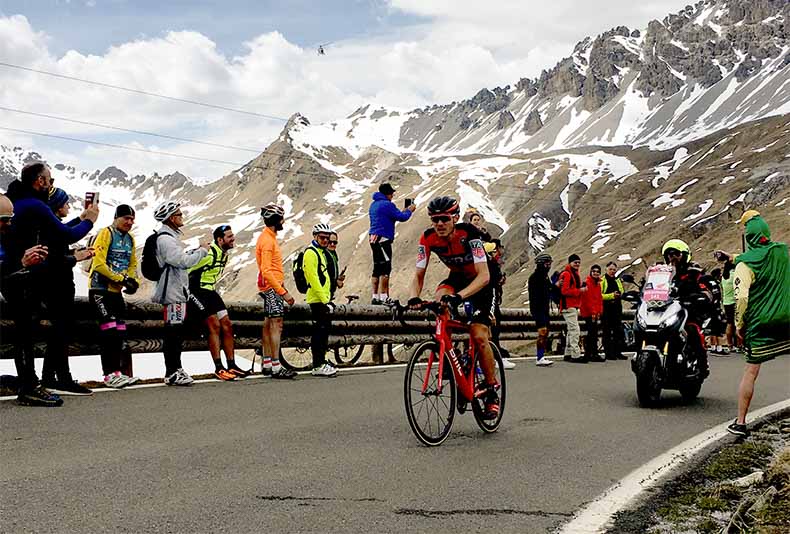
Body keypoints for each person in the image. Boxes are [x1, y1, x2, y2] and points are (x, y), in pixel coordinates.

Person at [4, 163, 98, 405]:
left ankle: (33, 383)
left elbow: (54, 229)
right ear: (39, 181)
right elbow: (64, 235)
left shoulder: (17, 199)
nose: (51, 183)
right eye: (49, 179)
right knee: (26, 331)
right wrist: (90, 221)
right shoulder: (35, 204)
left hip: (15, 270)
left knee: (27, 329)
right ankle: (29, 386)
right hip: (22, 272)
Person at [407, 196, 500, 420]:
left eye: (444, 219)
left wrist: (459, 297)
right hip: (457, 278)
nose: (439, 224)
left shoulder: (470, 235)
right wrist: (413, 298)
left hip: (483, 281)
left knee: (478, 335)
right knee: (440, 302)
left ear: (455, 218)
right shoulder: (428, 238)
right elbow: (418, 275)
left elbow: (484, 275)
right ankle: (451, 355)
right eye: (435, 219)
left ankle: (491, 391)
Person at [727, 211, 789, 437]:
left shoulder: (744, 265)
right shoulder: (782, 252)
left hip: (760, 323)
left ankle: (741, 422)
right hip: (787, 320)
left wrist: (739, 324)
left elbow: (741, 297)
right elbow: (764, 252)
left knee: (751, 371)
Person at [41, 187, 96, 395]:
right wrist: (76, 257)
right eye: (65, 203)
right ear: (57, 206)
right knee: (61, 332)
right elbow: (54, 259)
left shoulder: (50, 227)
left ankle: (49, 377)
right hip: (57, 286)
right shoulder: (50, 229)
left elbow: (63, 237)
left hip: (57, 286)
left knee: (59, 332)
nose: (68, 206)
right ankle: (62, 378)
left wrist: (80, 219)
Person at [0, 194, 51, 403]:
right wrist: (21, 263)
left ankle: (28, 385)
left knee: (25, 331)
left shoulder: (6, 237)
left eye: (10, 219)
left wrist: (27, 263)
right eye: (4, 219)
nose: (9, 224)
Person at [151, 201, 208, 386]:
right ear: (171, 218)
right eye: (179, 214)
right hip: (172, 293)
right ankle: (173, 371)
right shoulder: (165, 239)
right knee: (173, 334)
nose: (182, 216)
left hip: (176, 291)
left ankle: (175, 369)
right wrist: (202, 252)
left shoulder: (169, 237)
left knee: (175, 332)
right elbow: (182, 261)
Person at [88, 204, 141, 388]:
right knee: (109, 331)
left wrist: (133, 281)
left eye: (132, 219)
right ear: (116, 218)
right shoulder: (106, 233)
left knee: (119, 332)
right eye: (126, 218)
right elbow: (99, 264)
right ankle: (109, 374)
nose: (129, 222)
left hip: (116, 293)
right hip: (100, 290)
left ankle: (118, 372)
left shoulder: (130, 239)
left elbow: (132, 264)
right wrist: (121, 279)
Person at [187, 224, 248, 380]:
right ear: (220, 240)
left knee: (227, 324)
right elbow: (187, 268)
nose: (233, 238)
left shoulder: (224, 254)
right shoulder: (209, 254)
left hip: (210, 292)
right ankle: (219, 368)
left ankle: (232, 365)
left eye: (232, 235)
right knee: (214, 324)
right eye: (229, 236)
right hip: (197, 291)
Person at [255, 203, 297, 379]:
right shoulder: (267, 241)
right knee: (276, 325)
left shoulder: (268, 237)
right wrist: (283, 292)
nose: (283, 221)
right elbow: (266, 270)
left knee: (268, 324)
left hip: (270, 286)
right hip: (272, 287)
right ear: (275, 220)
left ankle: (267, 363)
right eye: (281, 218)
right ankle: (275, 366)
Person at [661, 239, 712, 377]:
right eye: (669, 254)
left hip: (688, 311)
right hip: (666, 310)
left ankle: (702, 365)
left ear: (684, 254)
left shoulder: (693, 272)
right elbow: (650, 286)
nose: (672, 257)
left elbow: (705, 287)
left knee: (692, 330)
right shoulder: (663, 273)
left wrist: (703, 295)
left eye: (675, 253)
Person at [368, 182, 415, 304]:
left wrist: (403, 211)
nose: (392, 196)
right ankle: (384, 296)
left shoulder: (373, 205)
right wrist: (409, 210)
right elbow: (402, 217)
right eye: (391, 193)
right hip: (383, 238)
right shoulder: (387, 205)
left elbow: (393, 216)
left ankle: (375, 296)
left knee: (376, 267)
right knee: (386, 268)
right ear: (388, 193)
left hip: (373, 238)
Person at [305, 223, 337, 377]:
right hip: (318, 300)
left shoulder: (321, 252)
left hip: (323, 299)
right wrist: (325, 300)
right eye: (322, 237)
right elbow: (313, 278)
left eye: (327, 238)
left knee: (324, 331)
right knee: (319, 332)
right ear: (315, 236)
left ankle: (321, 361)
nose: (325, 240)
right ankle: (317, 364)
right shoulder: (311, 253)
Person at [558, 254, 587, 363]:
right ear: (570, 263)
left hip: (571, 306)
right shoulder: (567, 274)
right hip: (568, 305)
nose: (577, 264)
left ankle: (568, 353)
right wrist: (580, 291)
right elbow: (564, 291)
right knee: (575, 330)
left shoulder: (572, 274)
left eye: (579, 262)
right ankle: (576, 354)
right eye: (575, 262)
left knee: (571, 330)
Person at [528, 253, 554, 366]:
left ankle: (542, 355)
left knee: (546, 332)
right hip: (538, 308)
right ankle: (539, 357)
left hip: (545, 308)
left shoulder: (545, 276)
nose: (549, 266)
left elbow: (549, 289)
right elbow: (535, 295)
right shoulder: (534, 277)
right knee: (542, 332)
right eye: (548, 264)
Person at [601, 261, 627, 361]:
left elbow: (622, 290)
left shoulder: (617, 280)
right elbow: (600, 295)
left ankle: (618, 352)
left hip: (617, 308)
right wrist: (611, 295)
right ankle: (608, 353)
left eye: (614, 269)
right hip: (606, 308)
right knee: (607, 331)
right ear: (606, 269)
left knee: (618, 331)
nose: (612, 271)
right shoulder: (602, 280)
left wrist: (620, 294)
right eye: (610, 269)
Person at [580, 264, 604, 362]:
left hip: (594, 312)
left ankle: (593, 353)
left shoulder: (598, 284)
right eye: (594, 271)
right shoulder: (587, 283)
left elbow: (599, 299)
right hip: (588, 312)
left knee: (594, 333)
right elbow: (588, 299)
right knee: (591, 333)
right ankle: (589, 353)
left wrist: (599, 311)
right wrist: (593, 312)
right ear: (591, 272)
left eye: (598, 272)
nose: (596, 273)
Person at [716, 250, 738, 352]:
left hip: (726, 301)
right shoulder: (734, 274)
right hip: (734, 301)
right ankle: (739, 344)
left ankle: (729, 344)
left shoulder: (724, 277)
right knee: (738, 322)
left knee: (729, 323)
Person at [326, 231, 345, 301]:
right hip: (323, 294)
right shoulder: (324, 254)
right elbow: (323, 276)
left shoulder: (333, 254)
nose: (332, 244)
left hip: (329, 292)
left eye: (335, 242)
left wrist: (337, 278)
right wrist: (336, 282)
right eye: (330, 242)